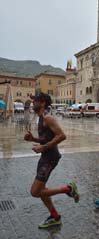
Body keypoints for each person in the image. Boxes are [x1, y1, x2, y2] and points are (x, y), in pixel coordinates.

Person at [24, 92, 79, 228]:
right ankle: (55, 216)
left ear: (43, 103)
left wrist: (44, 147)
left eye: (35, 101)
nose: (33, 103)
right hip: (46, 157)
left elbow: (62, 136)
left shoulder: (48, 118)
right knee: (42, 190)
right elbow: (46, 139)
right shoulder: (41, 118)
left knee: (35, 192)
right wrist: (34, 139)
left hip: (50, 158)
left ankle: (68, 189)